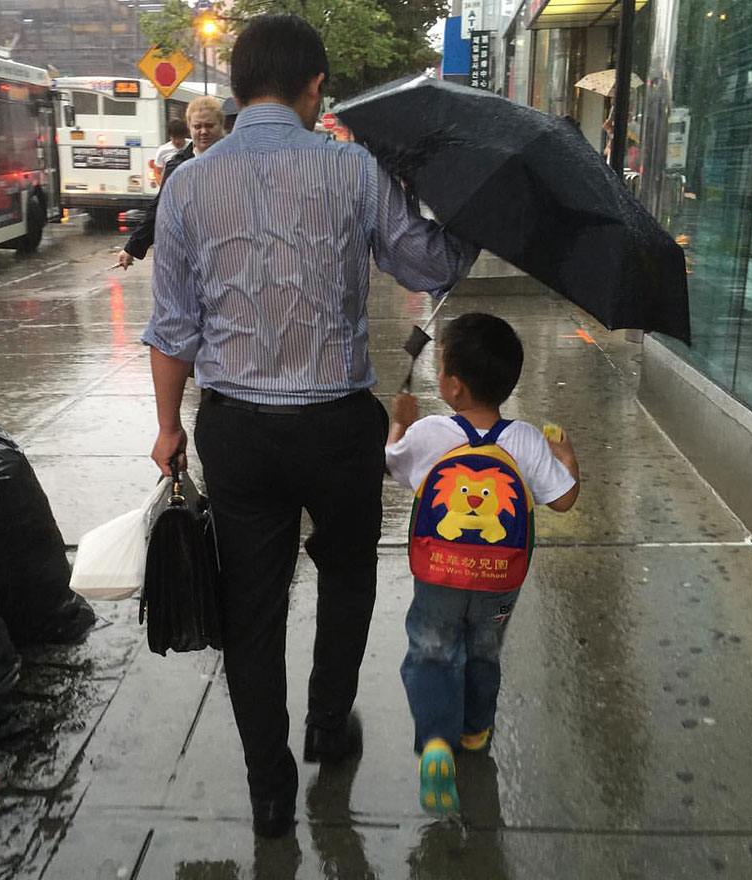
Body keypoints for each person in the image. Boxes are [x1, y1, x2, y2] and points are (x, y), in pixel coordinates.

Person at [142, 14, 478, 839]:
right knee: (347, 574)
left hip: (238, 433)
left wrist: (165, 429)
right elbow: (431, 265)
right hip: (337, 430)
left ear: (235, 86)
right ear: (314, 87)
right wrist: (453, 205)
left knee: (249, 604)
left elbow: (172, 329)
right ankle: (329, 722)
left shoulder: (185, 184)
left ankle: (268, 788)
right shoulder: (356, 170)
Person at [385, 313, 580, 816]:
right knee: (484, 651)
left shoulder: (430, 433)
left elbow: (390, 463)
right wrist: (567, 456)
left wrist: (399, 422)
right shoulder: (528, 441)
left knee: (432, 650)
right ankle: (474, 734)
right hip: (498, 583)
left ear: (452, 386)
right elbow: (563, 500)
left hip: (439, 575)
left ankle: (434, 742)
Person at [117, 96, 224, 270]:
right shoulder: (177, 165)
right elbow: (160, 208)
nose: (203, 131)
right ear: (190, 127)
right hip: (188, 255)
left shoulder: (236, 161)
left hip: (227, 254)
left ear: (221, 125)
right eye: (198, 126)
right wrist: (132, 248)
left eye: (209, 125)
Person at [152, 117, 191, 186]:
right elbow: (157, 172)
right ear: (170, 136)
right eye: (174, 137)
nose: (177, 141)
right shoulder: (163, 151)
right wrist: (163, 188)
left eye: (180, 137)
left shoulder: (193, 146)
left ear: (185, 135)